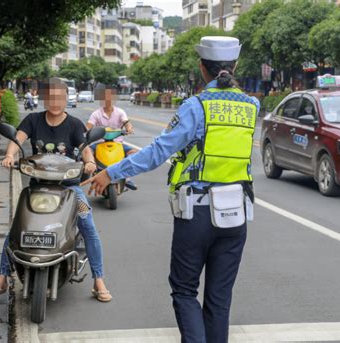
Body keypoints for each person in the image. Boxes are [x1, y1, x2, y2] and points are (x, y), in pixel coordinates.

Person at [82, 36, 259, 342]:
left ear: (202, 68)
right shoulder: (252, 106)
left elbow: (157, 153)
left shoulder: (196, 106)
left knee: (185, 290)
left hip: (197, 215)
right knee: (219, 299)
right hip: (236, 215)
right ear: (235, 65)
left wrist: (111, 173)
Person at [0, 78, 112, 303]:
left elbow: (85, 149)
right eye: (50, 97)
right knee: (17, 227)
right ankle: (3, 276)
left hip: (70, 189)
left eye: (59, 97)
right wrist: (9, 155)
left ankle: (98, 279)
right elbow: (18, 138)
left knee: (88, 225)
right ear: (44, 98)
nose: (55, 102)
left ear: (66, 98)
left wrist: (91, 162)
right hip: (37, 188)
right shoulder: (33, 120)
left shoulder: (74, 124)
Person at [86, 84, 138, 190]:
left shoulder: (120, 112)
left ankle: (127, 177)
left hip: (118, 143)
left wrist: (129, 128)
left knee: (135, 153)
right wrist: (86, 132)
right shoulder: (96, 114)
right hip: (99, 143)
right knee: (87, 152)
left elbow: (126, 122)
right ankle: (93, 172)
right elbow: (88, 126)